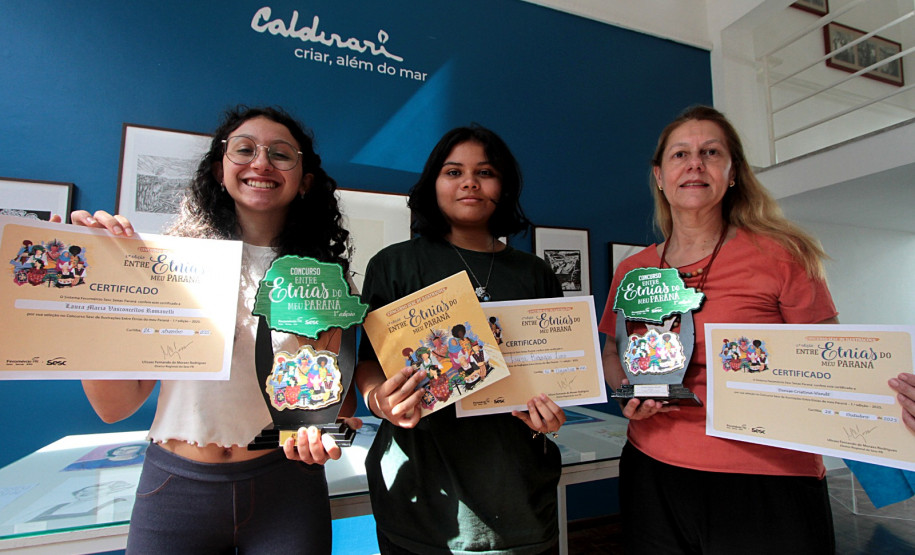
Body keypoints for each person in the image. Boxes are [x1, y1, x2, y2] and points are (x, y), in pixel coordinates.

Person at [71, 106, 359, 554]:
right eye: (244, 150)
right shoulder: (163, 265)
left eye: (281, 154)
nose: (261, 162)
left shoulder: (326, 281)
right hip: (177, 488)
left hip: (287, 488)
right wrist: (94, 294)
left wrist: (331, 430)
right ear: (218, 169)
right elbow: (116, 406)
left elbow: (334, 407)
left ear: (304, 179)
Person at [599, 105, 839, 554]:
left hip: (767, 475)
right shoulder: (634, 268)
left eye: (710, 152)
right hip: (653, 470)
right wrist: (629, 389)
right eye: (680, 154)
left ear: (732, 173)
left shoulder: (784, 254)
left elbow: (830, 359)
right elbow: (613, 350)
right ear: (659, 175)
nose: (694, 164)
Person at [353, 125, 566, 554]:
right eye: (453, 172)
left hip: (517, 494)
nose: (469, 182)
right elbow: (367, 362)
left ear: (503, 187)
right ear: (433, 184)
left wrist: (554, 412)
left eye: (485, 171)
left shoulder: (534, 272)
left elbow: (552, 372)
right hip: (420, 492)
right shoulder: (394, 264)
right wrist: (380, 401)